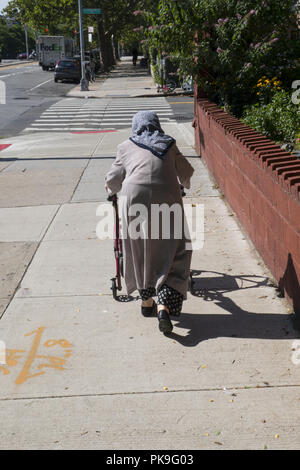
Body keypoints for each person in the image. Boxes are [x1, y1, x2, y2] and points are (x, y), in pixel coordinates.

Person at [105, 111, 194, 334]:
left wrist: (110, 189)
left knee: (139, 250)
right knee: (176, 249)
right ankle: (164, 305)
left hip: (133, 199)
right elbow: (186, 173)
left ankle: (146, 303)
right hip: (167, 198)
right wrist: (181, 181)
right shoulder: (169, 143)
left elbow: (113, 181)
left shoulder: (125, 146)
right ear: (157, 125)